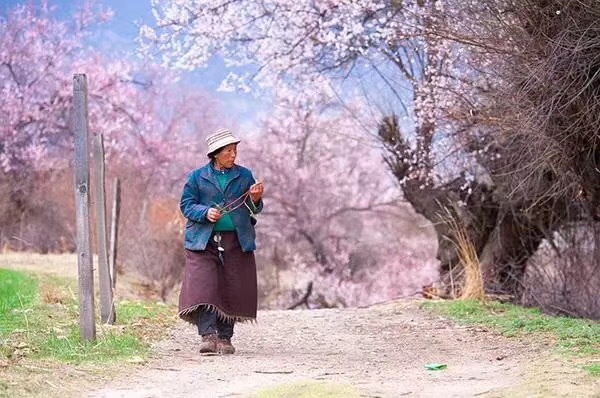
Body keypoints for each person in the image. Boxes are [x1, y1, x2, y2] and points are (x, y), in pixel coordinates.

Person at [178, 128, 264, 355]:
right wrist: (205, 212)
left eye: (235, 150)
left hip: (236, 242)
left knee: (231, 286)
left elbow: (254, 208)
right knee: (205, 287)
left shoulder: (245, 176)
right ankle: (208, 336)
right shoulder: (197, 177)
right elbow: (186, 205)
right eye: (228, 151)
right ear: (215, 153)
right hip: (203, 242)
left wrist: (255, 199)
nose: (233, 155)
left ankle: (225, 338)